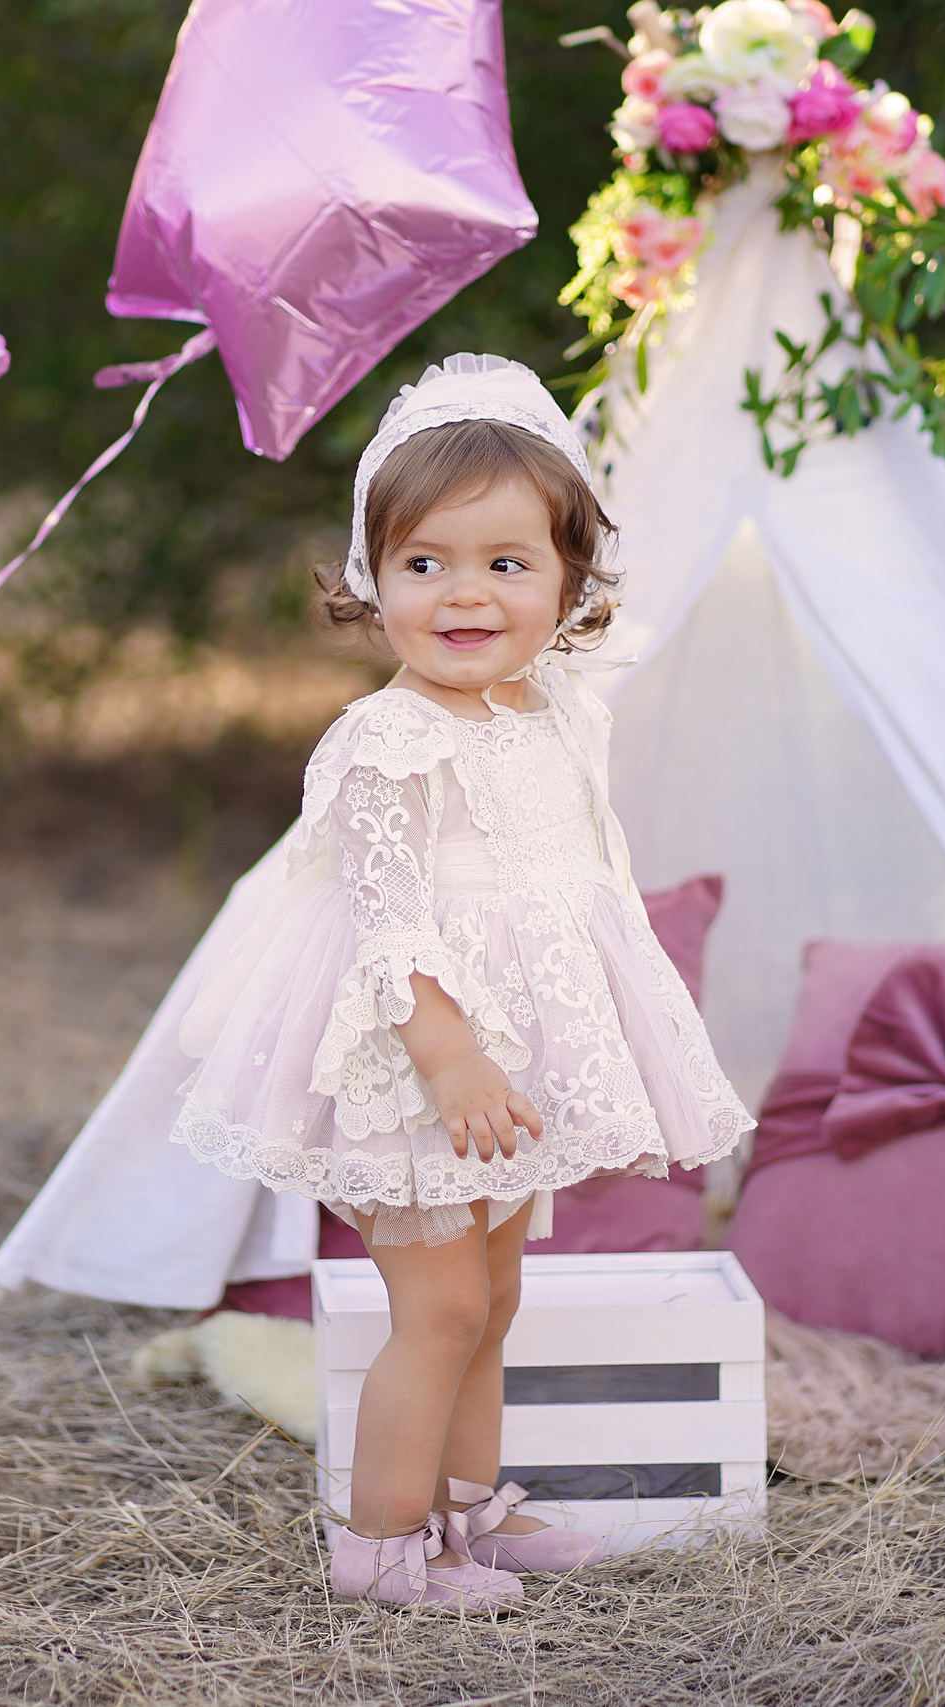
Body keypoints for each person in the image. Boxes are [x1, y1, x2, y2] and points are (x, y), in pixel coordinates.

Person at [166, 355, 753, 1609]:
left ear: (567, 581)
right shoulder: (387, 739)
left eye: (505, 563)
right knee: (433, 1312)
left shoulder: (546, 713)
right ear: (372, 581)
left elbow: (573, 879)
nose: (463, 595)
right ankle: (377, 1548)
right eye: (423, 564)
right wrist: (449, 1055)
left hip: (502, 1065)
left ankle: (468, 1505)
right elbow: (389, 930)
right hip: (420, 1067)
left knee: (493, 1296)